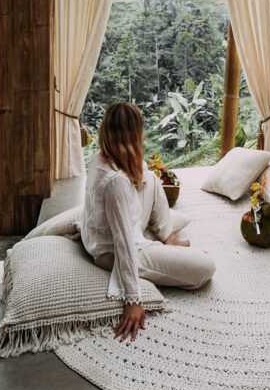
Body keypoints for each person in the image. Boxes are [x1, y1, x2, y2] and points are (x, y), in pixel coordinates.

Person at [80, 102, 215, 342]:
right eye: (139, 131)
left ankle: (167, 236)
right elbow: (124, 242)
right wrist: (133, 299)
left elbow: (136, 178)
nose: (143, 136)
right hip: (113, 251)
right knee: (205, 267)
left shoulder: (103, 157)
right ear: (131, 136)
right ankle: (159, 248)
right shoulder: (115, 182)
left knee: (149, 176)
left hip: (118, 229)